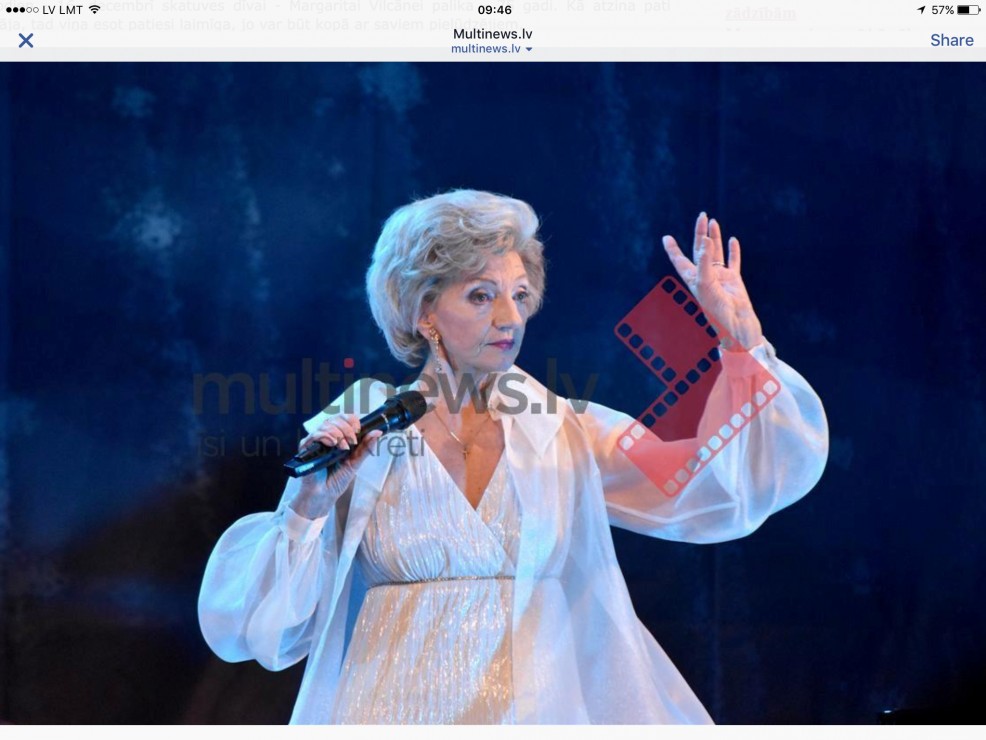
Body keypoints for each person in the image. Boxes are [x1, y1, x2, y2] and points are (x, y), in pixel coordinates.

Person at [198, 189, 829, 724]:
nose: (510, 318)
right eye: (481, 295)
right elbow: (267, 628)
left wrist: (742, 344)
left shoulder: (564, 431)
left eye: (519, 295)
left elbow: (714, 489)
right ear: (424, 311)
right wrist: (307, 507)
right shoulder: (365, 433)